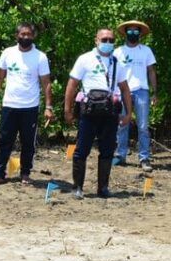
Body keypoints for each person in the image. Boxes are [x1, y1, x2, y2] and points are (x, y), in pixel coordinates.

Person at [63, 28, 134, 199]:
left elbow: (124, 89)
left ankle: (103, 188)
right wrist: (67, 110)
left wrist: (128, 113)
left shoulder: (118, 62)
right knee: (81, 150)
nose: (107, 43)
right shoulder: (85, 59)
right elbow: (72, 85)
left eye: (111, 40)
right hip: (89, 111)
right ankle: (77, 187)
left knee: (108, 150)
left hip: (109, 112)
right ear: (96, 40)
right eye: (104, 39)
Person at [0, 23, 54, 186]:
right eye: (22, 34)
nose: (25, 37)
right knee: (5, 140)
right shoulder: (8, 53)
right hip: (10, 105)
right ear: (17, 35)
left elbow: (46, 83)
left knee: (28, 142)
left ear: (33, 36)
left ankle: (25, 173)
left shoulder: (40, 57)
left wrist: (49, 107)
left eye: (29, 34)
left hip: (30, 107)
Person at [113, 20, 158, 171]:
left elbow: (151, 71)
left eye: (135, 31)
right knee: (122, 124)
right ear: (125, 33)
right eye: (130, 31)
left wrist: (154, 92)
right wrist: (112, 92)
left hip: (142, 91)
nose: (133, 34)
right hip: (122, 90)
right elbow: (113, 73)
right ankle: (120, 155)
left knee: (143, 126)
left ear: (140, 33)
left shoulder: (146, 50)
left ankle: (144, 158)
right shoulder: (118, 51)